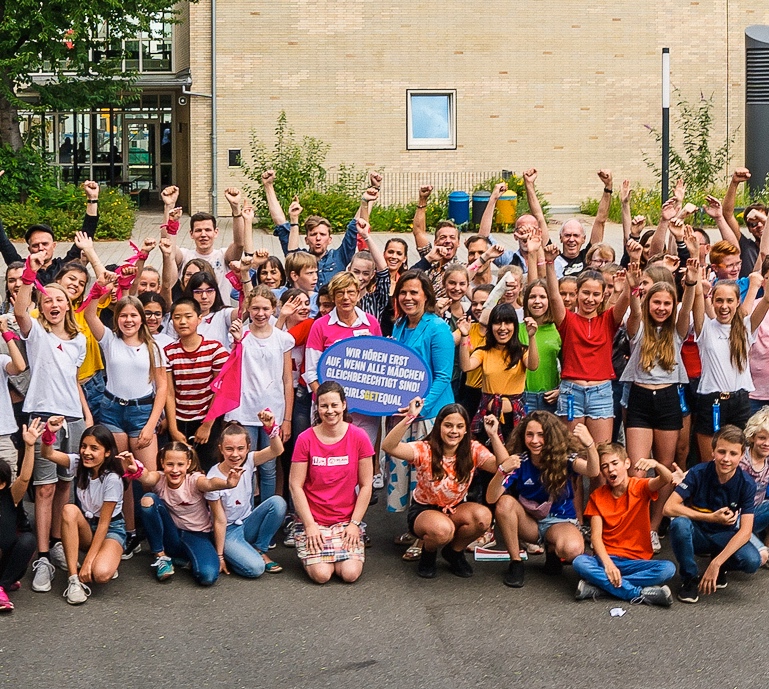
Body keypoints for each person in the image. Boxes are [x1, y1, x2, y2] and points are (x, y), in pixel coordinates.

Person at [15, 254, 90, 593]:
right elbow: (20, 311)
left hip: (73, 418)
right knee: (43, 489)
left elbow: (72, 380)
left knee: (65, 485)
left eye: (60, 300)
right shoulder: (36, 334)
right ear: (42, 307)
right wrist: (29, 277)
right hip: (43, 417)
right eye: (48, 300)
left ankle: (59, 542)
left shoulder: (79, 340)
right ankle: (43, 556)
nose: (54, 304)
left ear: (68, 305)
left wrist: (85, 414)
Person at [83, 274, 167, 559]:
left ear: (142, 319)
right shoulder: (109, 341)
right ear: (116, 319)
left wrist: (151, 424)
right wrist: (99, 289)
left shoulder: (154, 347)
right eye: (123, 315)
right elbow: (90, 314)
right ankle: (130, 532)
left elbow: (162, 388)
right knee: (123, 477)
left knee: (149, 478)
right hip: (112, 411)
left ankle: (159, 534)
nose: (128, 320)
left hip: (143, 412)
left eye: (133, 315)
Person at [621, 259, 697, 551]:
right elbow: (633, 315)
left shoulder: (677, 330)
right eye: (657, 302)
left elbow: (686, 309)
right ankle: (636, 524)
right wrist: (633, 289)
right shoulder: (638, 327)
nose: (662, 308)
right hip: (640, 399)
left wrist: (690, 284)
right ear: (648, 303)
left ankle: (653, 527)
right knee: (638, 471)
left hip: (668, 400)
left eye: (667, 303)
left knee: (665, 467)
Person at [382, 398, 497, 578]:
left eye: (459, 426)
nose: (454, 431)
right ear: (439, 427)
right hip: (425, 510)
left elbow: (501, 466)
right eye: (448, 425)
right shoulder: (425, 449)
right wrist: (410, 416)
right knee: (442, 530)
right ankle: (428, 553)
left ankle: (454, 552)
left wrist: (494, 435)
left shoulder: (472, 448)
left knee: (483, 518)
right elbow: (389, 446)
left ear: (466, 429)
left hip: (455, 507)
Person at [485, 411, 599, 587]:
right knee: (504, 503)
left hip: (560, 521)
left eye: (541, 435)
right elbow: (491, 498)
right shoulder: (521, 460)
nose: (535, 440)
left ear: (551, 436)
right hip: (530, 523)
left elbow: (593, 471)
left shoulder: (564, 458)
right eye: (529, 435)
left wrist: (590, 445)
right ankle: (516, 562)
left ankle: (553, 551)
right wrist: (502, 471)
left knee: (573, 549)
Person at [664, 425, 761, 603]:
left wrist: (716, 563)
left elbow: (746, 531)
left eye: (733, 453)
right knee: (679, 524)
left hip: (723, 535)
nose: (726, 459)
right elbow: (669, 508)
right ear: (713, 451)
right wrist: (710, 517)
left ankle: (720, 565)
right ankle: (690, 578)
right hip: (698, 534)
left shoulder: (747, 484)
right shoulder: (697, 472)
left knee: (752, 561)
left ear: (742, 456)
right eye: (721, 452)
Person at [289, 382, 374, 584]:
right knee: (322, 575)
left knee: (350, 573)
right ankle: (310, 547)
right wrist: (309, 525)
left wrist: (354, 524)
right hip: (314, 519)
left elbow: (366, 485)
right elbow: (295, 485)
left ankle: (335, 551)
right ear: (317, 408)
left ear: (343, 405)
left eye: (334, 405)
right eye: (324, 406)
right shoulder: (305, 439)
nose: (330, 411)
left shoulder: (359, 437)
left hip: (346, 520)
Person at [572, 443, 676, 606]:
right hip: (607, 558)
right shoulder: (597, 496)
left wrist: (656, 464)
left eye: (615, 463)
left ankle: (601, 587)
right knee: (579, 562)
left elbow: (667, 479)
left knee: (668, 569)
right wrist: (609, 565)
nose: (610, 470)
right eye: (605, 466)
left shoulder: (640, 487)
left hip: (637, 561)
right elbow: (596, 538)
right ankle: (638, 593)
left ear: (627, 463)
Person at [545, 244, 630, 445]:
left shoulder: (608, 320)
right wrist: (549, 262)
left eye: (595, 294)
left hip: (601, 392)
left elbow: (626, 299)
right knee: (574, 453)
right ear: (577, 293)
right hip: (571, 391)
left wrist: (629, 279)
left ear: (603, 296)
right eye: (585, 293)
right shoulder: (567, 320)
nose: (590, 299)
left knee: (601, 451)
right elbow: (554, 295)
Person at [387, 270, 455, 519]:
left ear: (426, 295)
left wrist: (420, 410)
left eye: (414, 292)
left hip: (430, 415)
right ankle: (413, 526)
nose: (408, 297)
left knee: (428, 478)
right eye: (403, 292)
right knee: (404, 475)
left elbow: (444, 376)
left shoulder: (438, 328)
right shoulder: (399, 325)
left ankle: (428, 529)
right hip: (403, 415)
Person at [126, 442, 242, 585]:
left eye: (180, 465)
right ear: (162, 463)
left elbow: (210, 483)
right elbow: (147, 477)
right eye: (170, 464)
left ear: (188, 464)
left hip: (197, 535)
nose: (175, 470)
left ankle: (180, 560)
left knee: (207, 576)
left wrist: (227, 483)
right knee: (148, 500)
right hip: (171, 535)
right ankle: (161, 556)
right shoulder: (159, 478)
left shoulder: (194, 480)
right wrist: (136, 468)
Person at [38, 418, 126, 605]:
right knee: (69, 510)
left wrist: (87, 563)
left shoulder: (112, 479)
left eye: (94, 448)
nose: (86, 452)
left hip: (111, 529)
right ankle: (73, 580)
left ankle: (105, 557)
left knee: (100, 574)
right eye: (84, 446)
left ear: (107, 452)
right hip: (87, 527)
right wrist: (49, 433)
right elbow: (47, 453)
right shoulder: (79, 463)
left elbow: (104, 524)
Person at [224, 286, 294, 501]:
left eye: (265, 308)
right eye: (255, 308)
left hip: (273, 411)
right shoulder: (240, 336)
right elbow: (231, 372)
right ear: (248, 308)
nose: (260, 313)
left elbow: (287, 380)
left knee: (269, 466)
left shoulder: (283, 339)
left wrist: (287, 419)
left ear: (274, 309)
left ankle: (267, 511)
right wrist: (236, 342)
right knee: (245, 465)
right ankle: (244, 510)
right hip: (245, 410)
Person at [692, 277, 769, 459]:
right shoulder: (705, 327)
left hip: (740, 402)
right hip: (711, 400)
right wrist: (697, 285)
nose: (724, 306)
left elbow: (766, 300)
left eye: (729, 301)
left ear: (737, 302)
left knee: (739, 460)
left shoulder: (746, 326)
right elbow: (696, 300)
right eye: (719, 300)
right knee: (710, 461)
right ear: (712, 301)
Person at [205, 417, 287, 577]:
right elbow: (219, 521)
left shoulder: (249, 460)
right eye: (229, 449)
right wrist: (219, 556)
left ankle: (259, 549)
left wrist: (271, 429)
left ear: (248, 447)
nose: (235, 454)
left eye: (240, 448)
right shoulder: (213, 478)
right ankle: (235, 555)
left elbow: (277, 451)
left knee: (278, 503)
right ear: (221, 449)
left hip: (247, 521)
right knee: (256, 569)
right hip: (228, 531)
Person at [164, 298, 229, 471]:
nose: (182, 321)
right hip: (180, 419)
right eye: (177, 317)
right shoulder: (168, 352)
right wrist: (173, 429)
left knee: (208, 470)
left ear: (199, 318)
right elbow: (169, 392)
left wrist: (207, 425)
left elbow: (220, 389)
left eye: (188, 316)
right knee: (180, 470)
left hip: (208, 419)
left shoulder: (215, 349)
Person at [458, 303, 539, 441]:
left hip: (514, 417)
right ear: (491, 327)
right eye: (497, 323)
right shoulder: (483, 352)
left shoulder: (522, 351)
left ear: (515, 326)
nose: (502, 328)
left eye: (507, 323)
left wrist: (532, 337)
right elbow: (466, 366)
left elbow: (533, 366)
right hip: (487, 416)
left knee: (514, 451)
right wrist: (464, 335)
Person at [265, 170, 358, 288]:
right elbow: (281, 225)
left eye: (322, 234)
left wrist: (366, 201)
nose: (318, 238)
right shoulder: (298, 258)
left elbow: (355, 227)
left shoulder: (339, 256)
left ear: (330, 239)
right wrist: (268, 186)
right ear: (306, 239)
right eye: (313, 234)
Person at [0, 180, 100, 286]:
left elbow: (86, 235)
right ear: (29, 249)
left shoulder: (64, 267)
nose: (41, 248)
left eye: (45, 244)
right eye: (35, 245)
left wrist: (92, 199)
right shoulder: (22, 269)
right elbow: (3, 242)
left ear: (54, 245)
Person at [161, 185, 245, 301]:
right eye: (198, 230)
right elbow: (166, 244)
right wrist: (168, 207)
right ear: (191, 234)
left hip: (219, 311)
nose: (203, 234)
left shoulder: (223, 256)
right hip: (190, 310)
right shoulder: (184, 256)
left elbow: (239, 243)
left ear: (216, 232)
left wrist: (235, 208)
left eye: (208, 230)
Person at [0, 419, 38, 611]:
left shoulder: (10, 497)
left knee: (28, 540)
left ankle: (2, 584)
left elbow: (24, 478)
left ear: (2, 484)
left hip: (6, 559)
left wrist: (29, 447)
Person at [739, 408, 769, 565]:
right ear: (752, 437)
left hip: (755, 513)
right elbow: (710, 468)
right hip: (734, 517)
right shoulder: (739, 458)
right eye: (762, 438)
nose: (767, 443)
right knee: (758, 558)